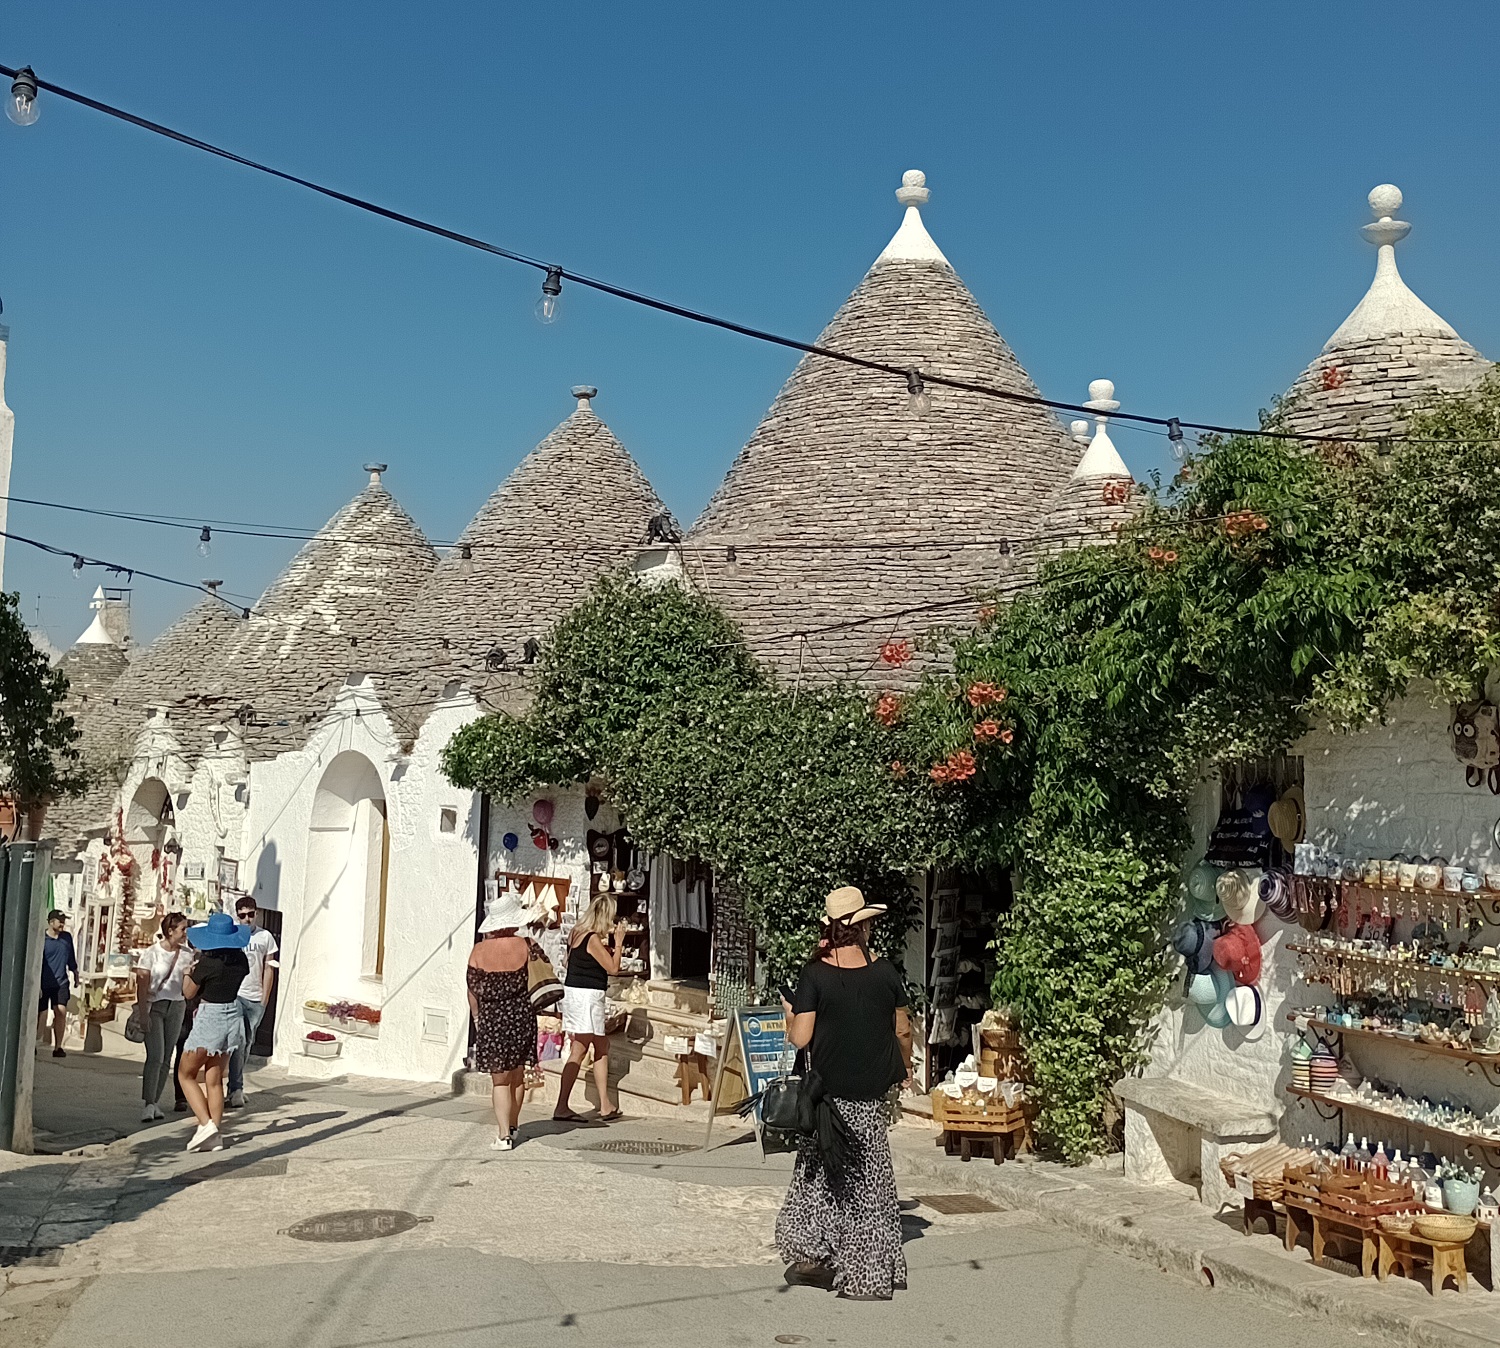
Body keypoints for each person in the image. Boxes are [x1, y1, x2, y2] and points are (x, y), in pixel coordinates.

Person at [775, 885, 914, 1302]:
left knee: (818, 1176)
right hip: (869, 1097)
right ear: (862, 926)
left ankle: (813, 1255)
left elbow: (800, 1038)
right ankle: (870, 1268)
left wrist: (789, 1015)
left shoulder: (814, 973)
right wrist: (903, 1068)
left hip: (828, 1099)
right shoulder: (886, 972)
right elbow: (903, 1030)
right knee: (868, 1183)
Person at [467, 891, 544, 1151]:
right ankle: (513, 1125)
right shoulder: (527, 945)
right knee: (518, 1074)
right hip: (522, 1015)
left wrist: (478, 1018)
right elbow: (543, 971)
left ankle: (503, 1135)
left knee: (499, 1080)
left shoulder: (479, 950)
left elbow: (472, 991)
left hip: (492, 1019)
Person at [177, 910, 251, 1152]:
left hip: (211, 1015)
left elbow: (189, 992)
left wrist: (188, 972)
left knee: (185, 1073)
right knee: (214, 1078)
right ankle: (215, 1136)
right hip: (233, 1014)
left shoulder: (207, 964)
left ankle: (206, 1123)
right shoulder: (241, 961)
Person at [552, 893, 625, 1123]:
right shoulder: (592, 939)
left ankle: (605, 1104)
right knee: (580, 1049)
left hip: (575, 993)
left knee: (601, 1044)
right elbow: (613, 968)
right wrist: (619, 942)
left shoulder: (576, 932)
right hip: (587, 997)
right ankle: (562, 1106)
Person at [132, 912, 191, 1122]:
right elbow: (142, 983)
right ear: (170, 931)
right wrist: (142, 1012)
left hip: (177, 1005)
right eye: (182, 929)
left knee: (167, 1056)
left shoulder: (187, 953)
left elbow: (187, 983)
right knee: (155, 1055)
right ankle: (148, 1102)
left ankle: (155, 1102)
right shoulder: (151, 953)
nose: (185, 932)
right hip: (154, 1006)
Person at [226, 897, 278, 1108]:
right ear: (237, 915)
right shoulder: (233, 936)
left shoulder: (265, 937)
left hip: (255, 997)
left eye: (250, 914)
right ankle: (237, 1088)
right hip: (236, 994)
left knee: (247, 1042)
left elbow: (269, 968)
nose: (247, 919)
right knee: (237, 1041)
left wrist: (264, 999)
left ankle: (234, 1087)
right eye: (242, 915)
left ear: (256, 913)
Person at [36, 909, 78, 1057]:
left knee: (60, 1012)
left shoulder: (66, 938)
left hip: (61, 982)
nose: (62, 924)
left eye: (63, 921)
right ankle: (33, 1042)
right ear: (51, 922)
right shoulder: (41, 939)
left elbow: (71, 957)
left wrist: (75, 972)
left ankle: (58, 1047)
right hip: (43, 982)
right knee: (41, 1013)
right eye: (60, 921)